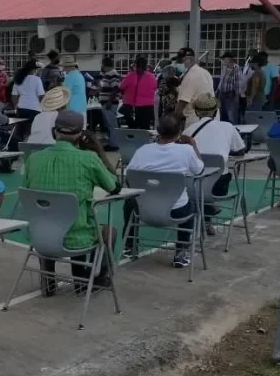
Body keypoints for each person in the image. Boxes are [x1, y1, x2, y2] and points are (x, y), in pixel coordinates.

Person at [23, 111, 120, 295]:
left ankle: (48, 280)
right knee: (109, 232)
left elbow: (25, 193)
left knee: (49, 214)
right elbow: (115, 186)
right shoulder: (88, 159)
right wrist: (99, 151)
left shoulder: (33, 159)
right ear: (80, 135)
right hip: (77, 237)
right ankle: (91, 280)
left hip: (41, 236)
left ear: (54, 132)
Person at [123, 114, 205, 268]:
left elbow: (129, 176)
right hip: (175, 210)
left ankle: (129, 245)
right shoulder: (186, 150)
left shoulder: (143, 150)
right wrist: (193, 145)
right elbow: (199, 170)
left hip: (144, 209)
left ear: (158, 131)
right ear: (179, 132)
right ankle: (181, 252)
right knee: (192, 205)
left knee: (129, 201)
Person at [183, 94, 247, 235]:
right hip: (217, 187)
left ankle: (204, 213)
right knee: (221, 176)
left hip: (192, 187)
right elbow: (240, 150)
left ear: (196, 111)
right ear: (215, 110)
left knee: (198, 180)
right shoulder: (227, 127)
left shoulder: (188, 131)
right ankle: (207, 213)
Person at [175, 47, 215, 127]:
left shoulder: (190, 76)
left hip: (195, 120)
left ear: (188, 60)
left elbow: (183, 101)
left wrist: (174, 118)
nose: (178, 64)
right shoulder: (205, 72)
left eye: (180, 61)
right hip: (211, 118)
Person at [119, 56, 158, 130]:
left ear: (136, 65)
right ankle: (145, 140)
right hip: (149, 105)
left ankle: (136, 139)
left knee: (136, 127)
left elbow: (122, 86)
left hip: (137, 105)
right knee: (146, 127)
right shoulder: (152, 76)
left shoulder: (131, 75)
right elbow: (155, 87)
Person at [96, 57, 122, 151]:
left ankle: (114, 144)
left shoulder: (113, 74)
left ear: (105, 64)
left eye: (102, 64)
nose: (101, 66)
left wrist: (109, 101)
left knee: (112, 125)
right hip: (106, 103)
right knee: (109, 124)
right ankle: (111, 142)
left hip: (109, 103)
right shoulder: (107, 74)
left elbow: (115, 88)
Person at [11, 59, 46, 126]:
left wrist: (16, 107)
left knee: (22, 131)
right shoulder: (37, 79)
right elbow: (41, 96)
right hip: (35, 109)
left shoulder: (18, 79)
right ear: (34, 70)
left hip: (21, 108)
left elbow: (14, 96)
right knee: (33, 130)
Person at [216, 52, 243, 124]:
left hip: (230, 95)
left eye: (224, 59)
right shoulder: (224, 68)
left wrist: (237, 96)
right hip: (222, 94)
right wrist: (217, 92)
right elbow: (222, 81)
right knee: (222, 114)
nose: (223, 60)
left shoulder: (236, 68)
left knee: (231, 115)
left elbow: (238, 83)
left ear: (229, 59)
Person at [61, 56, 88, 124]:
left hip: (73, 109)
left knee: (72, 132)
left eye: (64, 67)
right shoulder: (79, 75)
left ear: (68, 67)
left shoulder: (70, 76)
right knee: (81, 131)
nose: (63, 69)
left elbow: (65, 93)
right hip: (82, 108)